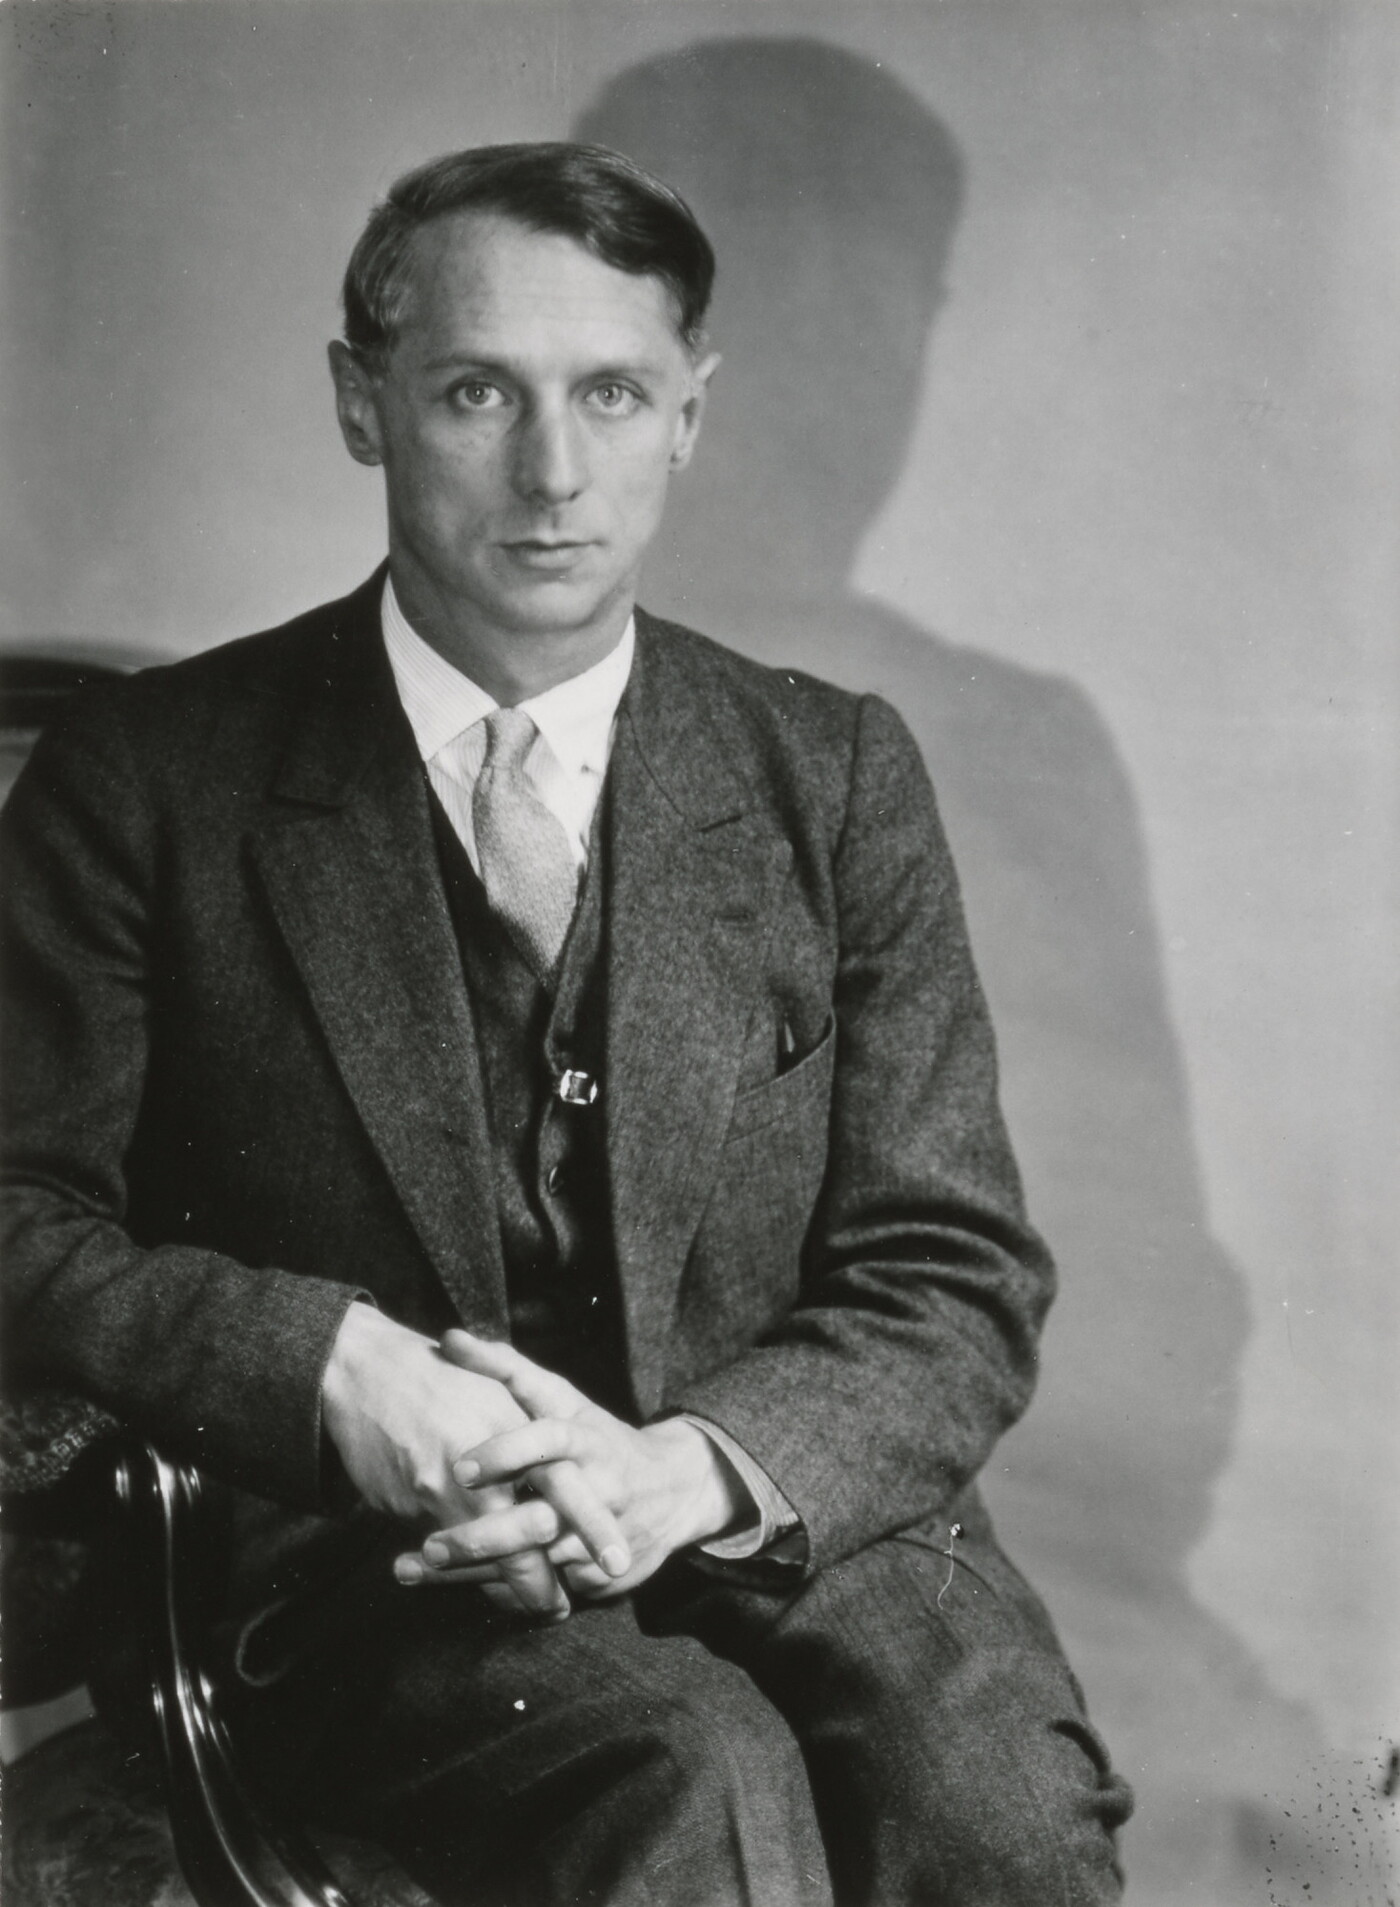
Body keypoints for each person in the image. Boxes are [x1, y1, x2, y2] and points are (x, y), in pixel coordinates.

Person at [1, 142, 1132, 1905]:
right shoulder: (146, 782)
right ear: (363, 403)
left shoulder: (831, 774)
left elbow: (953, 1273)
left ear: (689, 413)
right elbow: (16, 1215)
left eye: (610, 394)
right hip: (377, 1558)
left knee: (998, 1813)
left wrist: (692, 1473)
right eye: (477, 392)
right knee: (691, 1778)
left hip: (765, 1503)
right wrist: (332, 1372)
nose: (552, 473)